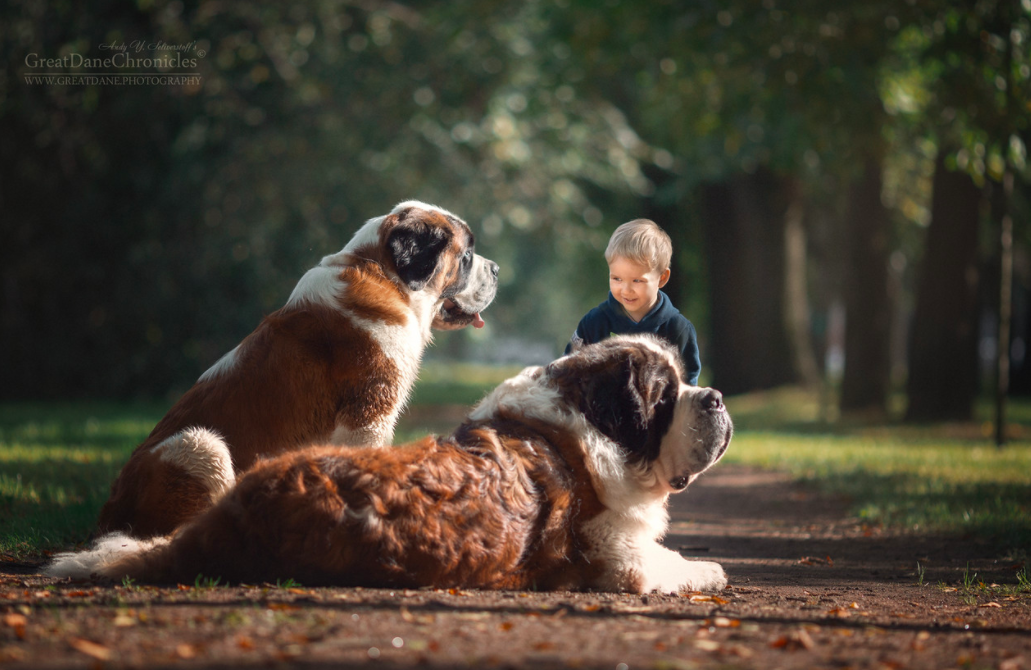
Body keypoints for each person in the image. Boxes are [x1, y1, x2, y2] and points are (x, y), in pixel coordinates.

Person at [565, 219, 702, 385]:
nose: (626, 289)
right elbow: (568, 369)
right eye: (617, 279)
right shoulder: (594, 323)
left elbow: (687, 386)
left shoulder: (677, 329)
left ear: (662, 278)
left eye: (637, 280)